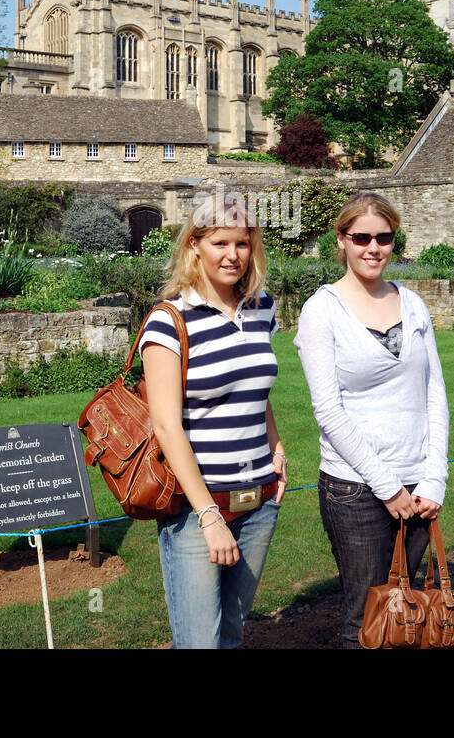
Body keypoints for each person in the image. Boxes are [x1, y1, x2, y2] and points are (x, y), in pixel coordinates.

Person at [294, 192, 450, 648]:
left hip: (418, 486)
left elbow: (434, 392)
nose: (373, 247)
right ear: (340, 240)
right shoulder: (322, 310)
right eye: (361, 237)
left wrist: (433, 477)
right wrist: (387, 486)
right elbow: (327, 410)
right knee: (365, 622)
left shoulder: (414, 304)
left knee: (403, 610)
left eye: (384, 237)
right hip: (356, 489)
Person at [138, 191, 288, 648]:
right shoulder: (169, 321)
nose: (233, 255)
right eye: (220, 243)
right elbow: (166, 426)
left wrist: (276, 449)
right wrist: (208, 515)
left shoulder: (261, 308)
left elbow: (256, 389)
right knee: (200, 640)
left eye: (242, 244)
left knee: (231, 631)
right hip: (196, 508)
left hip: (258, 500)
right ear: (194, 246)